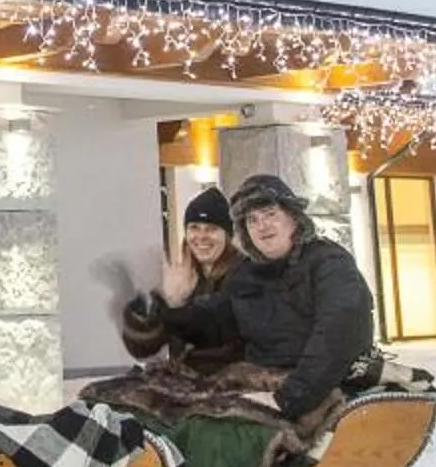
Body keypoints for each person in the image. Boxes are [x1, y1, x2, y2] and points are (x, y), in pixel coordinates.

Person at [118, 173, 375, 423]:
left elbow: (338, 333)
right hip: (256, 381)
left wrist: (288, 398)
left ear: (294, 218)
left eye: (270, 214)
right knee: (139, 406)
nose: (262, 225)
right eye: (252, 220)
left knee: (220, 436)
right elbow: (214, 321)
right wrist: (169, 308)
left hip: (313, 388)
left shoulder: (329, 263)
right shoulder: (247, 274)